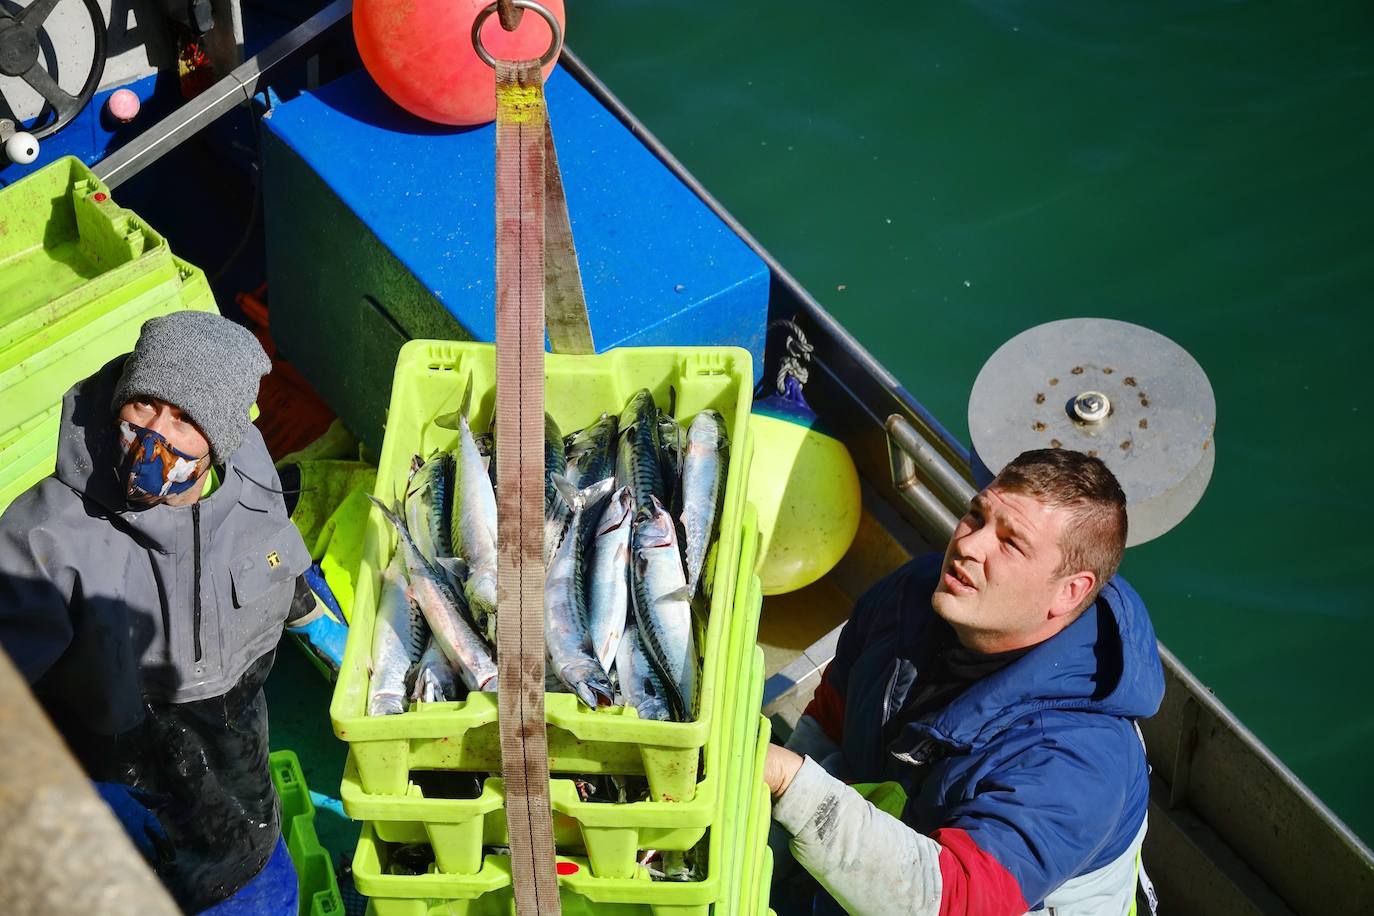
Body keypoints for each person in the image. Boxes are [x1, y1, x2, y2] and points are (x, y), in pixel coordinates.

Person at [0, 311, 338, 913]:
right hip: (124, 784)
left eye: (185, 418)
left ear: (223, 436)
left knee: (267, 890)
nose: (155, 436)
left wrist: (304, 606)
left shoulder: (252, 467)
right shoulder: (43, 536)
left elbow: (271, 543)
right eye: (145, 405)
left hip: (237, 765)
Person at [765, 448, 1164, 916]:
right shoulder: (910, 594)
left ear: (1069, 590)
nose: (969, 545)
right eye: (977, 515)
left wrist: (789, 783)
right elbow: (835, 711)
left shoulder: (1081, 760)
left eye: (1011, 543)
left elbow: (956, 900)